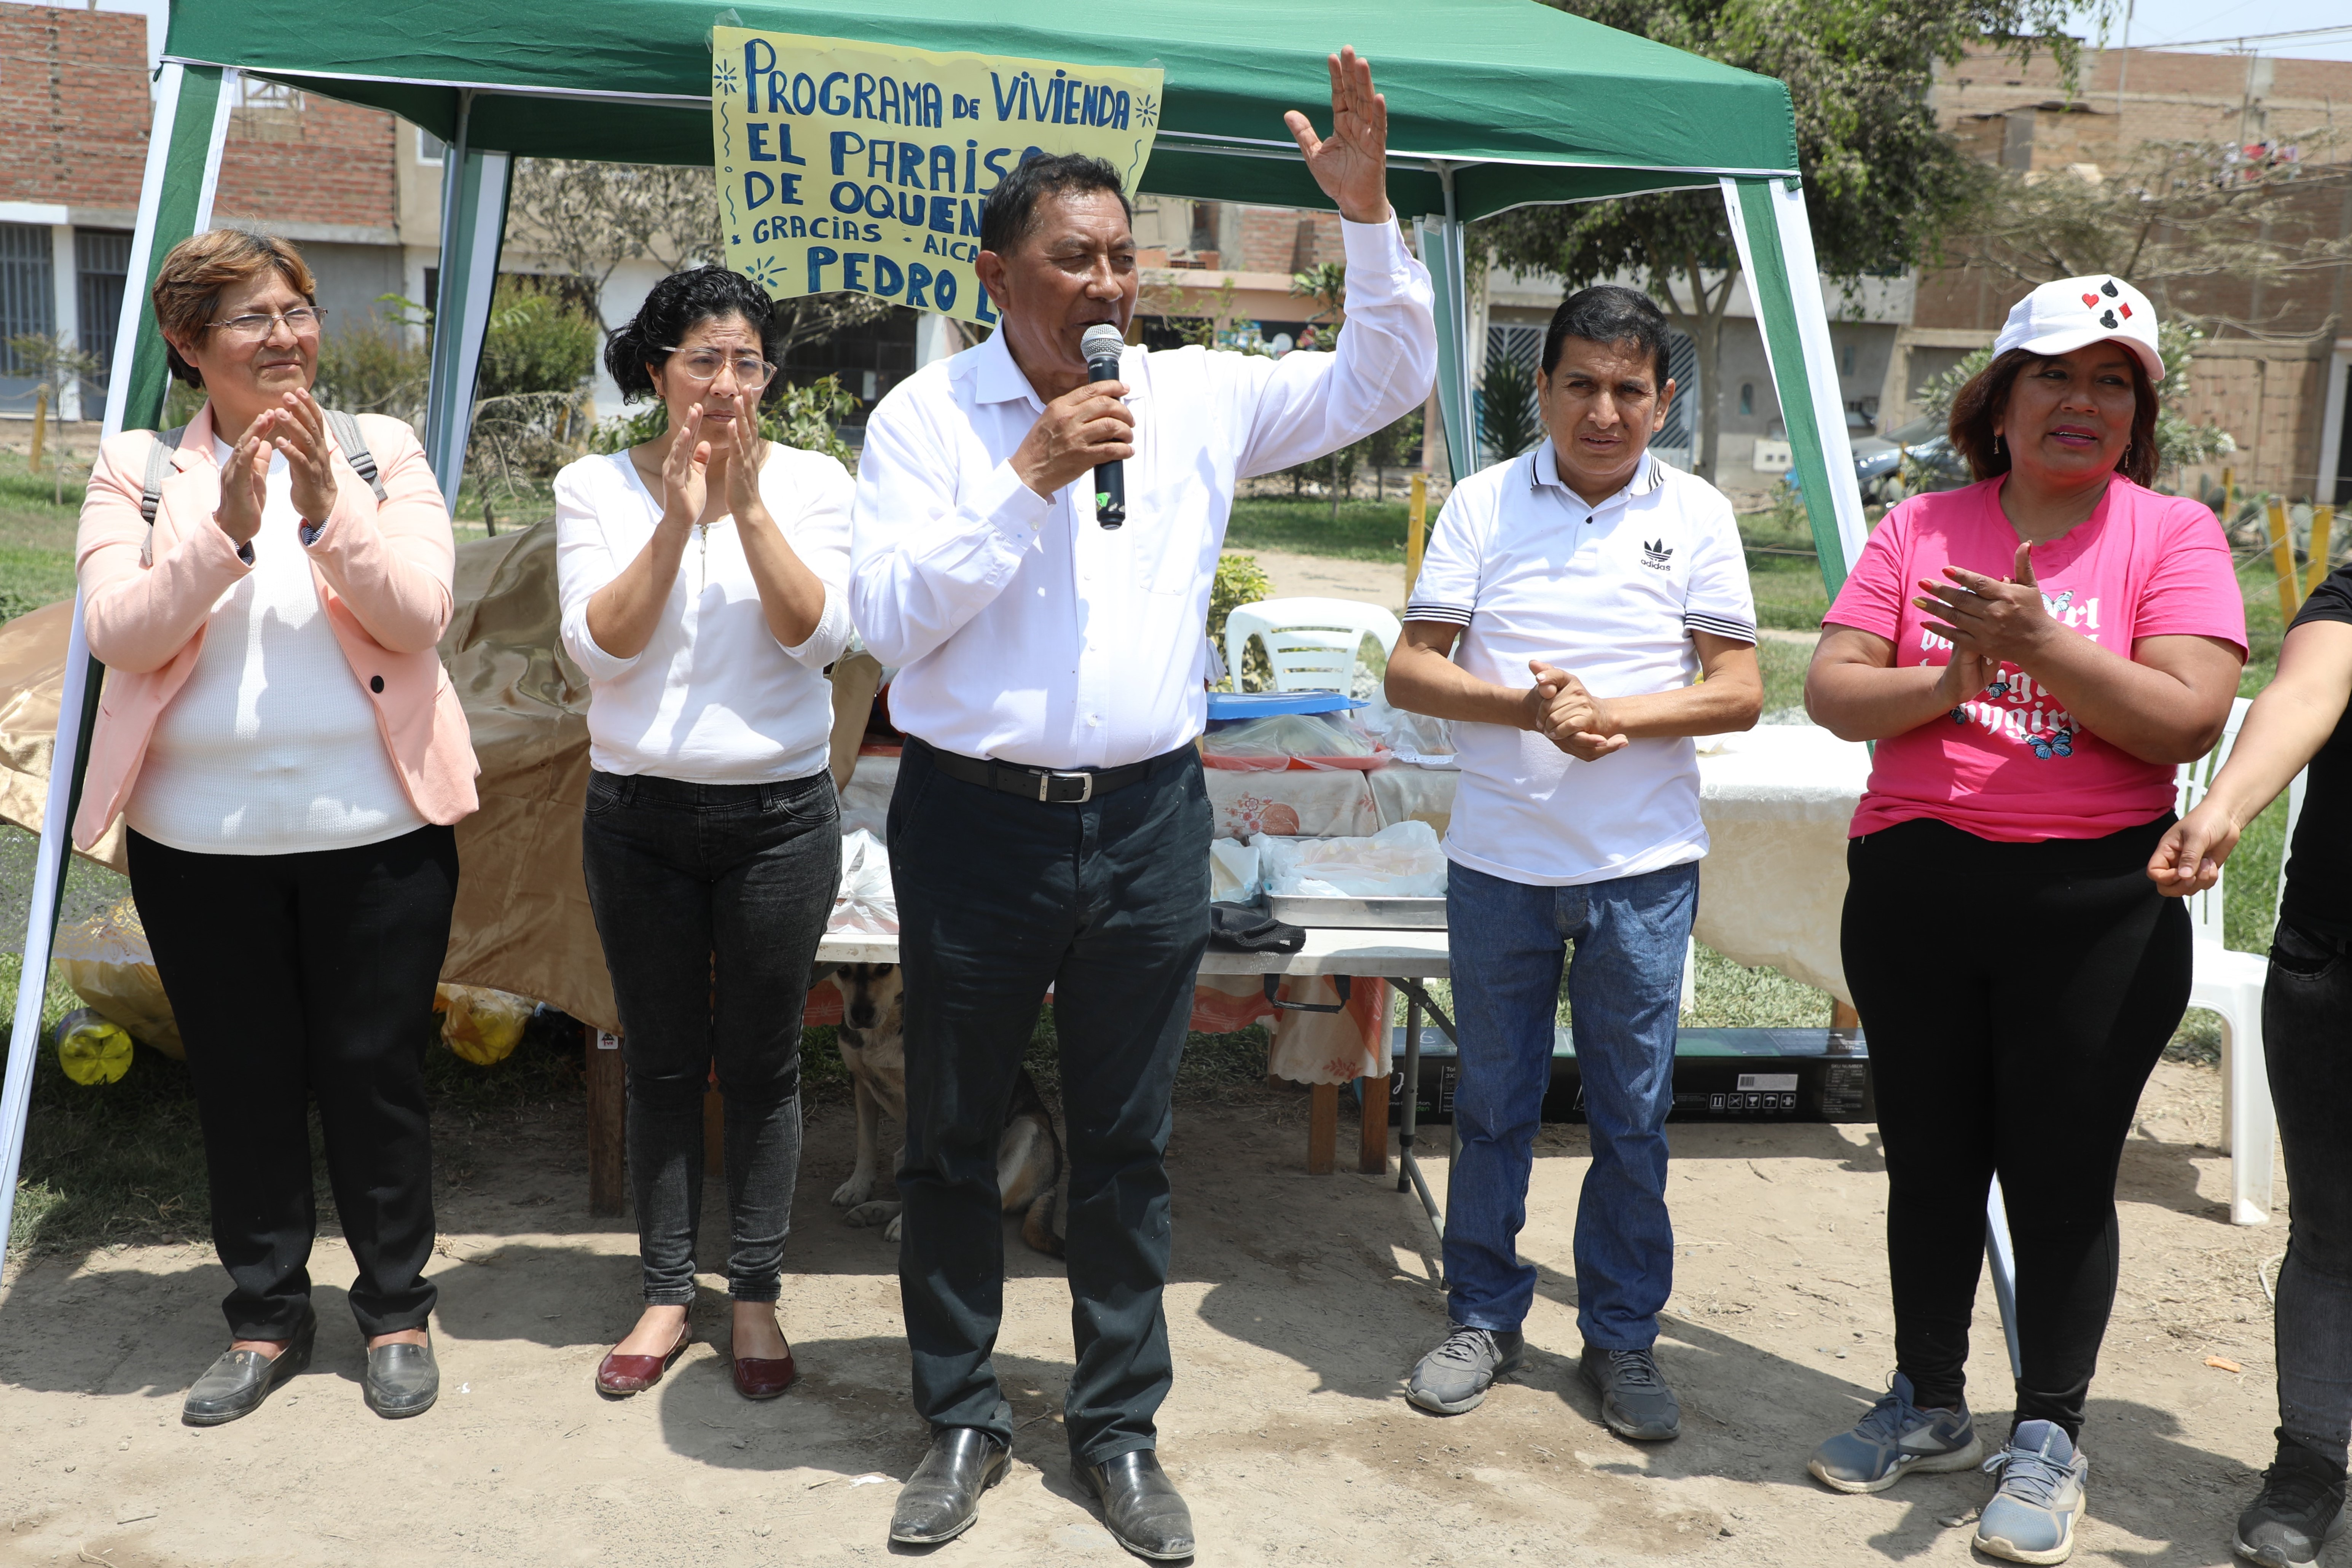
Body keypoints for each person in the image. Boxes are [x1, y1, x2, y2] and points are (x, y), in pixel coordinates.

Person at [849, 47, 1433, 1557]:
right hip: (973, 822)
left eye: (1124, 257)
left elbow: (1386, 378)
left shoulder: (1200, 397)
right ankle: (965, 1411)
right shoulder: (929, 422)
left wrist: (1366, 221)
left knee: (1126, 1139)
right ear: (998, 272)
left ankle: (1116, 1426)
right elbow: (894, 621)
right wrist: (1028, 473)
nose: (1109, 285)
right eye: (1075, 260)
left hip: (1149, 823)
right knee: (956, 1129)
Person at [1802, 275, 2246, 1565]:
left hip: (2094, 901)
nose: (2082, 401)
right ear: (1996, 399)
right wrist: (1951, 677)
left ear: (2137, 415)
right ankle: (1925, 1399)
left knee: (2057, 1176)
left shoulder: (2172, 534)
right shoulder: (1920, 530)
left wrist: (2041, 648)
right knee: (1929, 1158)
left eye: (2114, 382)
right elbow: (1834, 691)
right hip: (1916, 887)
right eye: (2055, 374)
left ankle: (2048, 1433)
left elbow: (2183, 719)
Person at [72, 229, 478, 1425]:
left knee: (374, 1075)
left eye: (296, 309)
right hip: (201, 847)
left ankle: (396, 1311)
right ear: (190, 346)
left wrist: (320, 507)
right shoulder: (139, 471)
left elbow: (417, 617)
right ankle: (263, 1320)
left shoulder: (380, 450)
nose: (288, 335)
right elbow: (122, 632)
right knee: (242, 1084)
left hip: (379, 837)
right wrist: (225, 529)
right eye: (253, 317)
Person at [1385, 285, 1761, 1437]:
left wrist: (1615, 719)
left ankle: (1623, 1342)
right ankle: (1483, 1317)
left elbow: (1739, 691)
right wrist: (1527, 707)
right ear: (1539, 389)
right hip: (1499, 863)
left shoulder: (1694, 514)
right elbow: (1410, 671)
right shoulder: (1485, 503)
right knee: (1490, 1103)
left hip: (1640, 868)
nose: (1603, 411)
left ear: (1663, 404)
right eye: (1580, 384)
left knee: (1630, 1116)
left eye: (1629, 390)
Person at [555, 268, 852, 1403]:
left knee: (765, 1066)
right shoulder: (595, 487)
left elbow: (820, 637)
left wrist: (748, 506)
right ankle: (670, 1289)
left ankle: (759, 1293)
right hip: (638, 817)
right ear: (654, 371)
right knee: (663, 1059)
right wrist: (680, 516)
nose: (727, 384)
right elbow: (604, 649)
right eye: (701, 361)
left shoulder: (818, 482)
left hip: (780, 815)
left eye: (747, 361)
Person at [2150, 582, 2352, 1568]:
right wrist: (2225, 806)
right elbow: (2306, 690)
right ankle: (2308, 1464)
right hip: (2335, 956)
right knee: (2330, 1231)